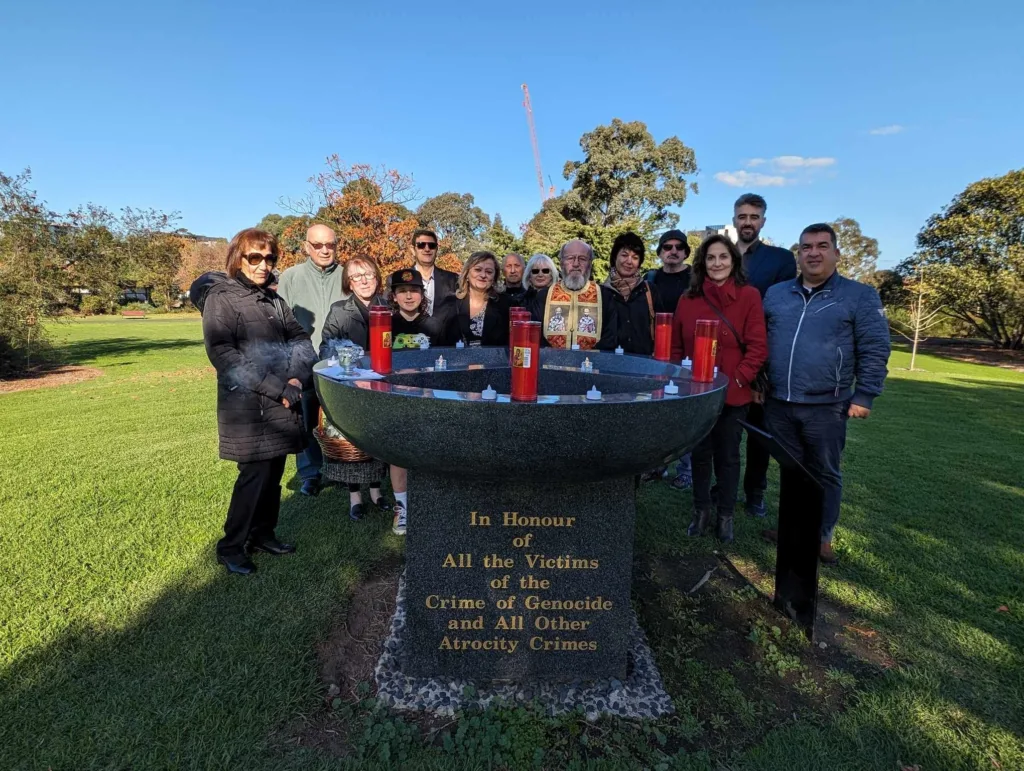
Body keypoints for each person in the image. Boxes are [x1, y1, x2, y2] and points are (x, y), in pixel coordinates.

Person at [760, 223, 891, 564]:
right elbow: (761, 342)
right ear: (798, 254)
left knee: (825, 471)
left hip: (827, 404)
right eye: (806, 247)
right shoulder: (776, 294)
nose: (813, 253)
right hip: (779, 401)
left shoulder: (859, 296)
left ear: (836, 252)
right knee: (791, 469)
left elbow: (875, 348)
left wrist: (865, 395)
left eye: (821, 246)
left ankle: (821, 537)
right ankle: (790, 526)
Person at [201, 228, 317, 575]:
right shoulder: (221, 298)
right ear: (239, 258)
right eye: (255, 257)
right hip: (249, 406)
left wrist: (296, 378)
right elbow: (224, 354)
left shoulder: (273, 301)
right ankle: (231, 546)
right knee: (253, 477)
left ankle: (263, 533)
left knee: (274, 474)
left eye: (269, 258)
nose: (263, 265)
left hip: (283, 401)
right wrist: (276, 388)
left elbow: (301, 341)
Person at [671, 235, 767, 543]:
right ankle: (701, 511)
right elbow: (675, 345)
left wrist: (738, 378)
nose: (717, 263)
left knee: (728, 456)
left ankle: (725, 515)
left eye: (723, 257)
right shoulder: (688, 299)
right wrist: (680, 378)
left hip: (733, 392)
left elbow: (758, 347)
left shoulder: (749, 296)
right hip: (698, 392)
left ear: (733, 261)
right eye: (711, 258)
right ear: (702, 263)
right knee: (700, 453)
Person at [732, 193, 799, 518]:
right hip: (724, 359)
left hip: (760, 359)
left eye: (754, 217)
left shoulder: (780, 260)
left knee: (759, 433)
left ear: (763, 222)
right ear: (734, 219)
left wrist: (761, 370)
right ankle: (723, 487)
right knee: (725, 432)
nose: (748, 222)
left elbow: (780, 316)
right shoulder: (721, 256)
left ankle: (755, 492)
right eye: (742, 216)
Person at [318, 258, 394, 524]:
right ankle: (355, 498)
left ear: (377, 278)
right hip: (351, 385)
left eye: (369, 274)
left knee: (377, 439)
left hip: (381, 384)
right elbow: (326, 347)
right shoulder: (339, 310)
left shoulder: (387, 306)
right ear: (348, 282)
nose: (364, 280)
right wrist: (344, 357)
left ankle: (376, 492)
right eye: (356, 276)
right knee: (353, 441)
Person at [276, 224, 346, 498]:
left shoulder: (345, 275)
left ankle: (342, 466)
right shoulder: (291, 277)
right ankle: (311, 473)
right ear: (306, 246)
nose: (325, 250)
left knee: (339, 418)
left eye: (330, 244)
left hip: (339, 361)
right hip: (302, 360)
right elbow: (280, 322)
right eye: (318, 245)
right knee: (306, 418)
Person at [527, 240, 617, 351]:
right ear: (561, 263)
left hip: (592, 365)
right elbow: (536, 338)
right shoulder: (543, 297)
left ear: (590, 264)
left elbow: (610, 339)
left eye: (582, 259)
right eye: (570, 258)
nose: (575, 264)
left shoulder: (605, 297)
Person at [437, 251, 510, 347]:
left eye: (489, 272)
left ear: (494, 277)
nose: (483, 275)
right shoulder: (449, 303)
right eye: (478, 270)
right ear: (467, 273)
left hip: (493, 361)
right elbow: (439, 341)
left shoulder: (506, 304)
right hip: (457, 360)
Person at [606, 231, 660, 355]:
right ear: (615, 257)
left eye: (635, 257)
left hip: (644, 366)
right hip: (609, 364)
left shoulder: (650, 290)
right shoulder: (602, 291)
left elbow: (662, 329)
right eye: (624, 255)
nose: (629, 261)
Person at [391, 228, 458, 316]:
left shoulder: (453, 280)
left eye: (431, 245)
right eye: (421, 245)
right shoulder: (396, 279)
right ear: (413, 249)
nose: (427, 249)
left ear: (436, 249)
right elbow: (388, 310)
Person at [390, 268, 443, 348]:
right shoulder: (387, 326)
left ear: (422, 295)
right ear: (394, 296)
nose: (409, 296)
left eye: (414, 290)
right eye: (403, 291)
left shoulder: (435, 326)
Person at [647, 229, 693, 315]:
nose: (674, 251)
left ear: (686, 253)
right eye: (667, 247)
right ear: (659, 253)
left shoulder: (698, 278)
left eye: (679, 247)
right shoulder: (649, 278)